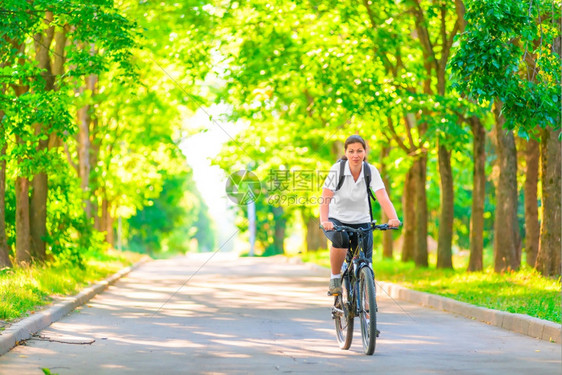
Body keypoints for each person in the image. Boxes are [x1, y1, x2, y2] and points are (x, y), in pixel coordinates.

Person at [320, 135, 401, 295]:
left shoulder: (370, 171)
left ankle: (368, 309)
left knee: (366, 263)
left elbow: (383, 197)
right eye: (351, 151)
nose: (355, 155)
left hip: (362, 220)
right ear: (346, 153)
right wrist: (325, 220)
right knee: (341, 239)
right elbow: (326, 197)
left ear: (365, 152)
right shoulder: (338, 169)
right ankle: (335, 277)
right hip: (337, 219)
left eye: (359, 151)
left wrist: (393, 217)